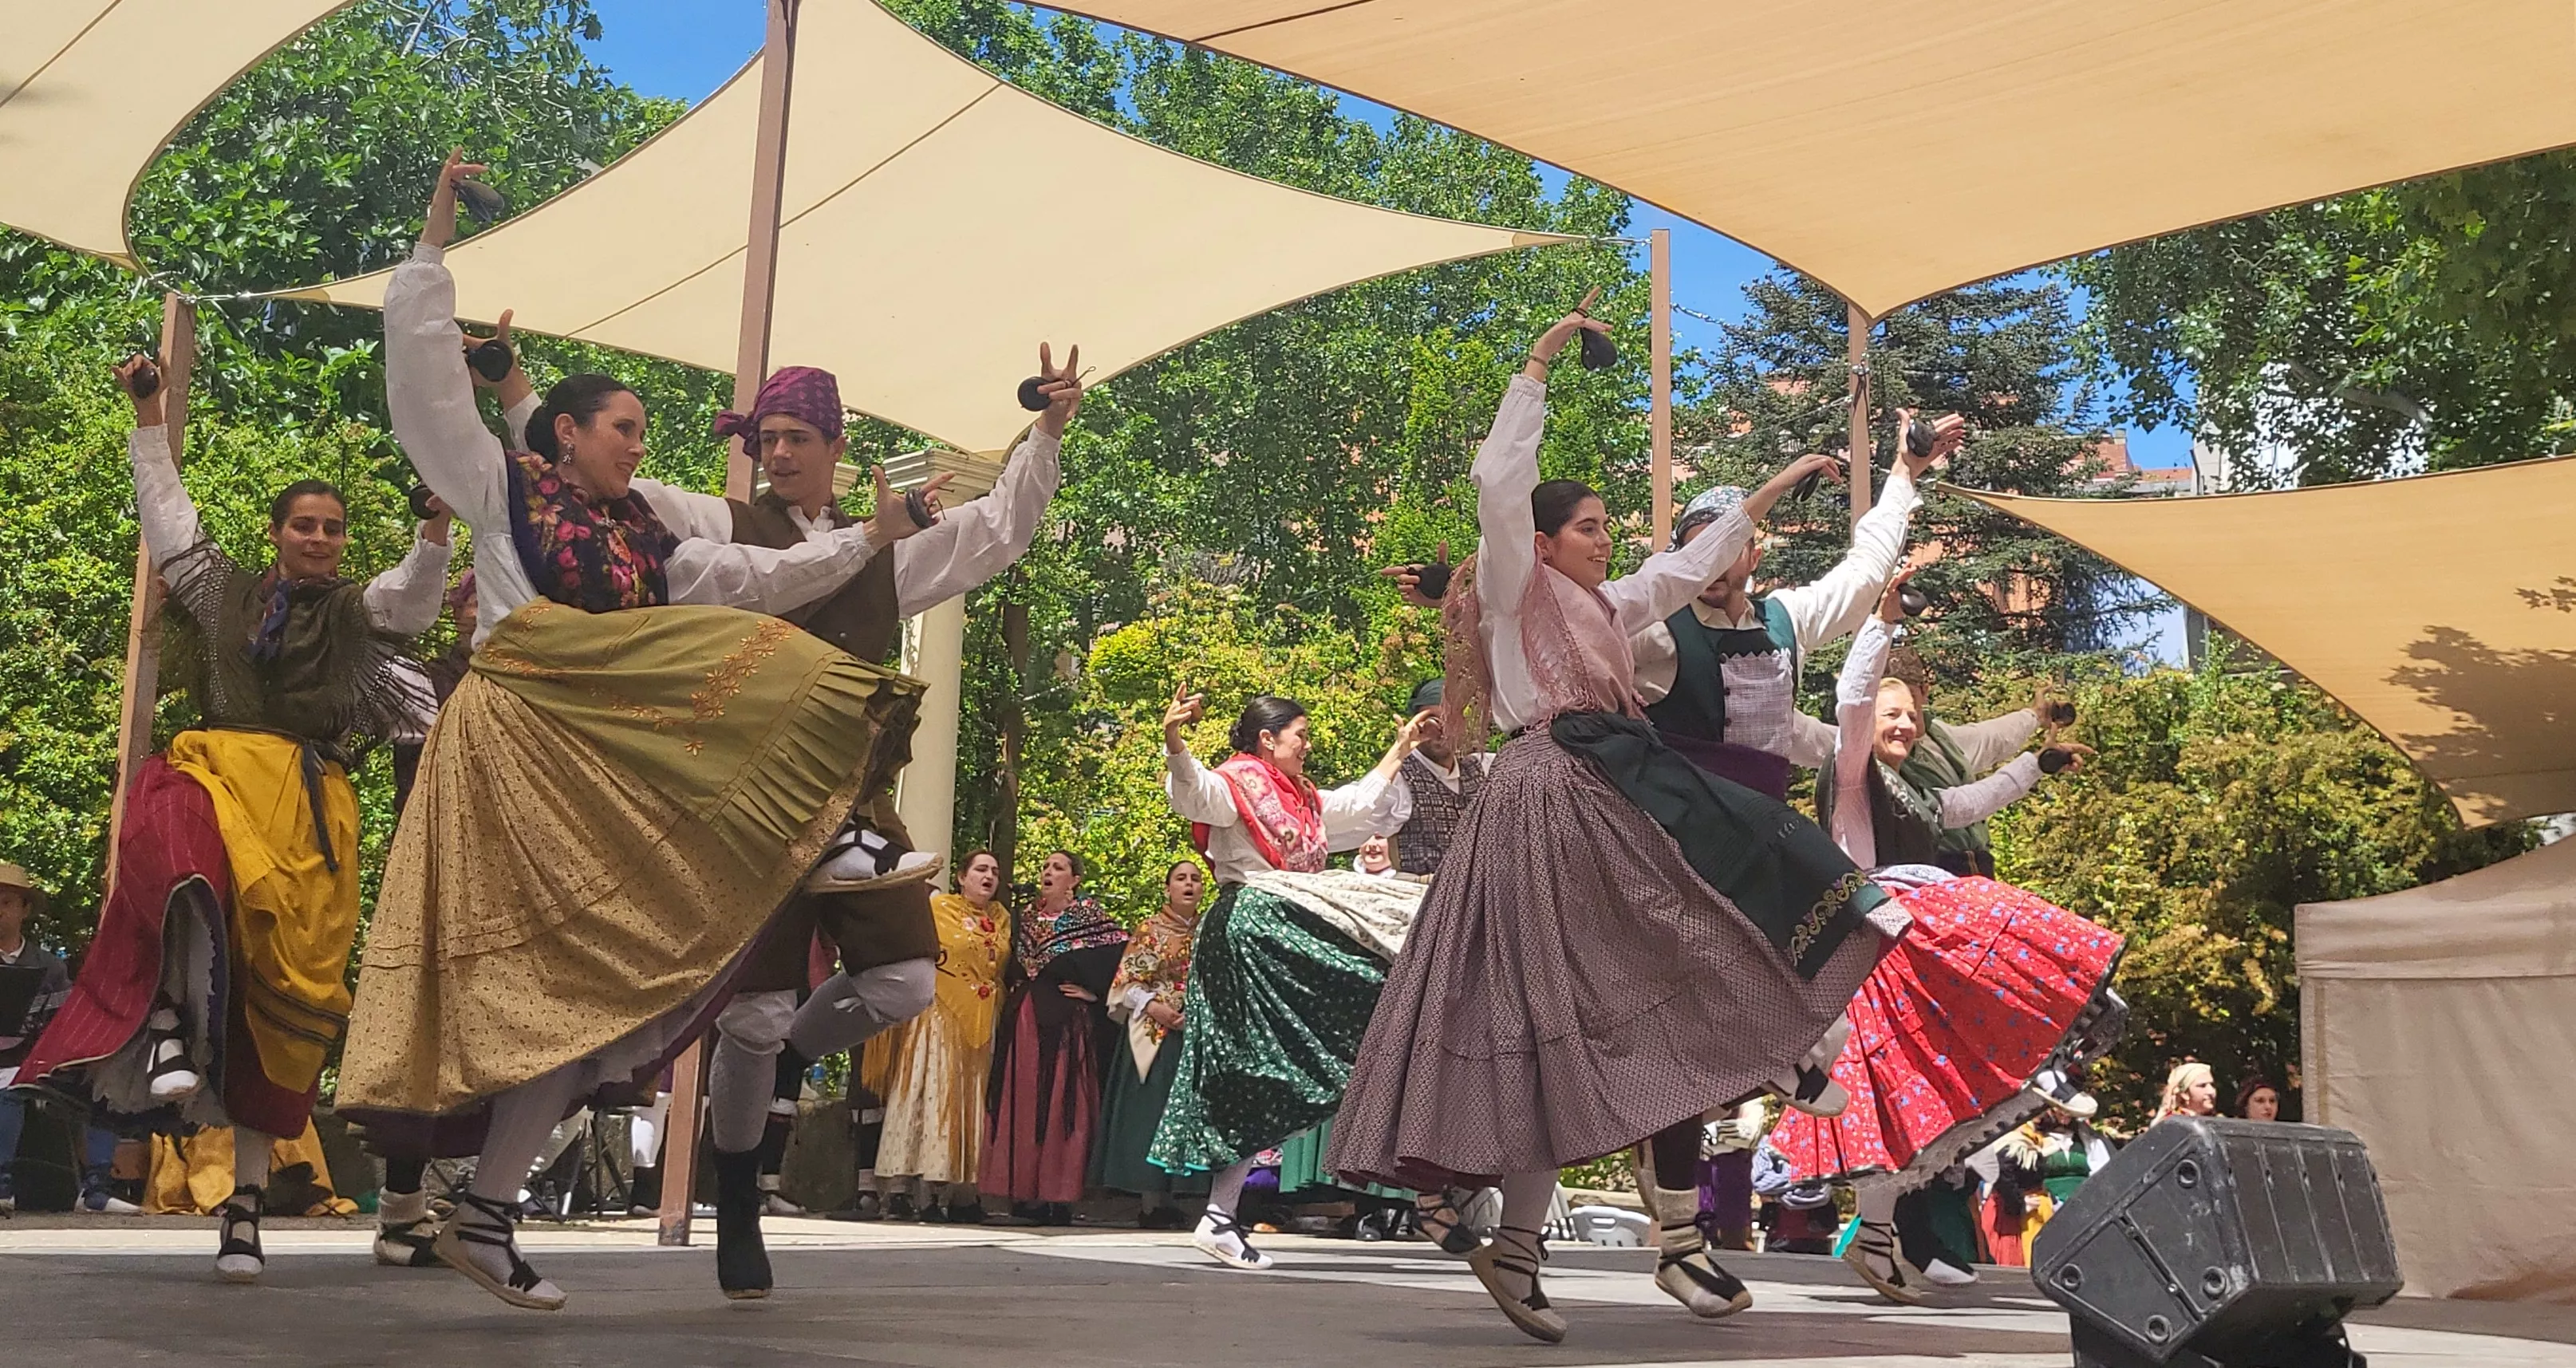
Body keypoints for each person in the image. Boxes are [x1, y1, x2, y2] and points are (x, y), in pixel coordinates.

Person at [335, 153, 937, 1311]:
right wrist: (432, 245)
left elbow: (762, 576)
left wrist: (870, 536)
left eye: (642, 431)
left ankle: (486, 1209)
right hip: (517, 756)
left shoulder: (648, 538)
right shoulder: (500, 487)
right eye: (624, 426)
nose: (636, 445)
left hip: (603, 773)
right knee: (558, 972)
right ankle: (830, 832)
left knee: (608, 995)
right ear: (563, 431)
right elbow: (423, 388)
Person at [449, 329, 1074, 1294]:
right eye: (765, 438)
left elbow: (997, 529)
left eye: (795, 438)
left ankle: (784, 1064)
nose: (777, 454)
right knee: (750, 1014)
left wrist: (1048, 433)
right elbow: (590, 471)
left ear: (835, 446)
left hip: (851, 792)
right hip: (747, 801)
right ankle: (737, 1193)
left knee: (906, 981)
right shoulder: (719, 525)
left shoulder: (888, 547)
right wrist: (517, 390)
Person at [1327, 308, 1901, 1342]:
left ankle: (1533, 1234)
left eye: (1603, 525)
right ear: (1544, 542)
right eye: (1587, 525)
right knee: (1580, 993)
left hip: (1601, 790)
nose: (1603, 537)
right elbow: (1498, 484)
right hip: (1546, 797)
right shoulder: (1518, 584)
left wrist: (1773, 488)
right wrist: (1539, 362)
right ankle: (1766, 1064)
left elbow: (1687, 565)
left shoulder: (1611, 604)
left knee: (1613, 989)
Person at [14, 355, 452, 1279]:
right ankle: (166, 1014)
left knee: (274, 1020)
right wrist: (148, 413)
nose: (320, 537)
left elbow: (415, 595)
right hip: (218, 771)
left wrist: (433, 525)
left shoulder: (357, 611)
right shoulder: (226, 592)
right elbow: (168, 520)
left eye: (332, 527)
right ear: (276, 532)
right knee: (167, 831)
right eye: (305, 524)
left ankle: (245, 1210)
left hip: (307, 812)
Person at [1765, 574, 2124, 1306]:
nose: (1904, 725)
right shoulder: (1852, 770)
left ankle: (1874, 1235)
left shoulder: (1913, 790)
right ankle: (2042, 1052)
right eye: (1893, 713)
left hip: (1905, 947)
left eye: (1912, 715)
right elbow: (1853, 701)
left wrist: (2036, 764)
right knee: (2003, 925)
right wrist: (1880, 624)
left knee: (1906, 1098)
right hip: (1880, 934)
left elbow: (1969, 800)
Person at [1154, 692, 1431, 1272]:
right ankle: (1433, 1183)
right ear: (1268, 739)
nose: (1307, 745)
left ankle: (1220, 1215)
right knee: (1265, 1065)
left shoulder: (1300, 797)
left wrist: (1400, 749)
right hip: (1254, 929)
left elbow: (1354, 807)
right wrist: (1175, 740)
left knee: (1276, 1067)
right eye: (1300, 734)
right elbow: (1195, 793)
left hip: (1280, 929)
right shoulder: (1236, 784)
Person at [1631, 408, 1962, 802]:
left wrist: (1904, 474)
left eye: (1727, 550)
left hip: (1764, 825)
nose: (1713, 564)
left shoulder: (1786, 618)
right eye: (1700, 552)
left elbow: (1865, 574)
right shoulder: (1654, 631)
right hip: (1675, 826)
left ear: (1754, 558)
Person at [864, 850, 1012, 1224]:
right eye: (980, 869)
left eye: (994, 872)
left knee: (971, 1101)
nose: (989, 876)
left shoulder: (1001, 918)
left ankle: (962, 1194)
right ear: (961, 877)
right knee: (932, 1095)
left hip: (983, 1020)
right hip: (938, 1016)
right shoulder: (939, 908)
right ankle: (915, 1191)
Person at [984, 851, 1126, 1224]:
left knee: (1063, 1104)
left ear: (1075, 880)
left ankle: (1059, 1194)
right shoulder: (1024, 919)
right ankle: (1024, 1193)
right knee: (1023, 1101)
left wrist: (1096, 995)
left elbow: (1124, 966)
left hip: (1066, 1024)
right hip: (1025, 1023)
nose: (1048, 872)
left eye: (1058, 868)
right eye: (1046, 867)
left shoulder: (1092, 920)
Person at [1091, 858, 1213, 1227]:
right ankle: (1150, 1201)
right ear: (1167, 888)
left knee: (1189, 1113)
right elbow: (1126, 984)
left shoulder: (1210, 931)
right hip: (1153, 1034)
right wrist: (1157, 1008)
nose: (1189, 884)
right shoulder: (1149, 930)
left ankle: (1181, 1197)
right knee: (1150, 1113)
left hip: (1195, 1033)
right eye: (1181, 878)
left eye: (1195, 879)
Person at [1379, 679, 1489, 877]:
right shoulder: (1399, 779)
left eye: (1450, 719)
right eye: (1433, 720)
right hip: (1421, 893)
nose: (1442, 730)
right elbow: (1356, 813)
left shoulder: (1483, 768)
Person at [2155, 1061, 2220, 1122]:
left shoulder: (2217, 1120)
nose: (2211, 1091)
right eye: (2202, 1086)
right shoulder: (2174, 1122)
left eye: (2213, 1085)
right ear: (2185, 1094)